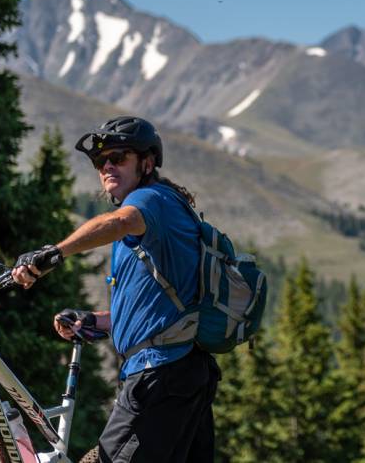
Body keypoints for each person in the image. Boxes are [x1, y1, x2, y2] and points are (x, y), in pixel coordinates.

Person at [11, 116, 220, 463]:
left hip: (161, 374)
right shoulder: (148, 222)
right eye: (100, 160)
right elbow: (158, 310)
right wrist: (97, 321)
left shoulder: (152, 199)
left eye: (119, 156)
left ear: (147, 163)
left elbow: (119, 221)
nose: (107, 165)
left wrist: (55, 252)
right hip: (182, 372)